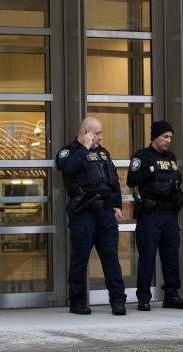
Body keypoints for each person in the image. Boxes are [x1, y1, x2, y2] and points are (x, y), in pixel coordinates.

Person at [56, 116, 127, 315]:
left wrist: (117, 205)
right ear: (86, 133)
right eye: (97, 133)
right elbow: (67, 168)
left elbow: (113, 181)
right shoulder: (68, 152)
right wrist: (84, 149)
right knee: (80, 258)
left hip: (105, 213)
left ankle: (118, 300)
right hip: (83, 213)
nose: (101, 138)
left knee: (111, 257)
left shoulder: (104, 154)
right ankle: (78, 301)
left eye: (101, 133)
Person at [127, 120, 183, 311]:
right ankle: (143, 298)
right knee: (147, 257)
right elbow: (132, 180)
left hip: (169, 214)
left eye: (170, 137)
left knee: (171, 255)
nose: (168, 140)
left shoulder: (171, 157)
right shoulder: (142, 156)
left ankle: (171, 295)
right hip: (150, 214)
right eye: (165, 136)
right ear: (155, 137)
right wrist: (151, 170)